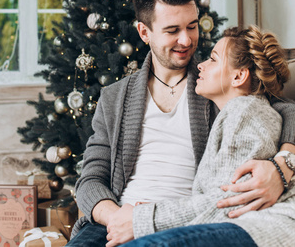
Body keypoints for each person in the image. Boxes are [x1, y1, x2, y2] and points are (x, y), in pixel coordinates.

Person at [66, 0, 295, 247]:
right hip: (118, 217)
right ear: (144, 32)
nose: (186, 40)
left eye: (192, 26)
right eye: (172, 30)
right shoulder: (114, 98)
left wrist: (283, 166)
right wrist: (120, 219)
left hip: (186, 219)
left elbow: (281, 110)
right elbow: (91, 178)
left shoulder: (216, 84)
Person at [116, 25, 295, 247]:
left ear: (238, 76)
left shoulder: (245, 111)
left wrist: (144, 218)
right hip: (238, 225)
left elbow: (229, 202)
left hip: (260, 228)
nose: (201, 65)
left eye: (213, 59)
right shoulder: (240, 112)